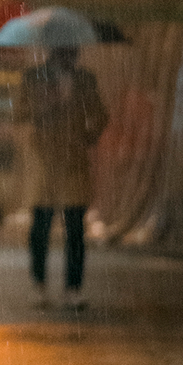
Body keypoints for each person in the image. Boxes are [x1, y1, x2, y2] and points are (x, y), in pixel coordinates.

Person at [18, 46, 108, 309]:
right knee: (41, 226)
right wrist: (48, 102)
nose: (71, 55)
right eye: (65, 50)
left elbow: (101, 114)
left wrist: (89, 137)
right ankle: (39, 284)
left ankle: (73, 288)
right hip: (44, 160)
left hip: (74, 160)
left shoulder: (85, 78)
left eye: (74, 50)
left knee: (75, 228)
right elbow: (20, 112)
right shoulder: (34, 77)